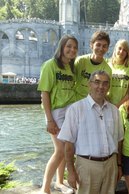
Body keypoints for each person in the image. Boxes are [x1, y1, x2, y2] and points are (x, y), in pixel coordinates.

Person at [57, 70, 124, 194]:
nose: (101, 87)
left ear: (109, 87)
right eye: (97, 82)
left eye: (105, 83)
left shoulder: (114, 110)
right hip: (86, 166)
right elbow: (68, 145)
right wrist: (71, 171)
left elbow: (119, 141)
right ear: (89, 84)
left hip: (111, 165)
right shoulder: (76, 109)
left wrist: (119, 165)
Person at [37, 34, 78, 194]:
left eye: (74, 47)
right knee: (60, 150)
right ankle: (45, 188)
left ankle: (59, 182)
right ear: (61, 47)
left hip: (69, 111)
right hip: (55, 112)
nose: (72, 50)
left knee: (67, 148)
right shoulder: (50, 65)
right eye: (68, 46)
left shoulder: (70, 67)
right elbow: (44, 93)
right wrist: (49, 120)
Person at [74, 30, 112, 101]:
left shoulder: (107, 69)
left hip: (94, 103)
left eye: (104, 46)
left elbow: (105, 91)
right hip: (76, 101)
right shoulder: (81, 61)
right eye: (98, 45)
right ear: (91, 45)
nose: (101, 49)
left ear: (107, 48)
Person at [108, 39, 129, 107]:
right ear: (115, 49)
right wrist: (109, 103)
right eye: (119, 48)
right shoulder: (108, 66)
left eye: (124, 50)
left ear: (127, 53)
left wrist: (119, 105)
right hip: (107, 104)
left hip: (124, 106)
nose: (121, 52)